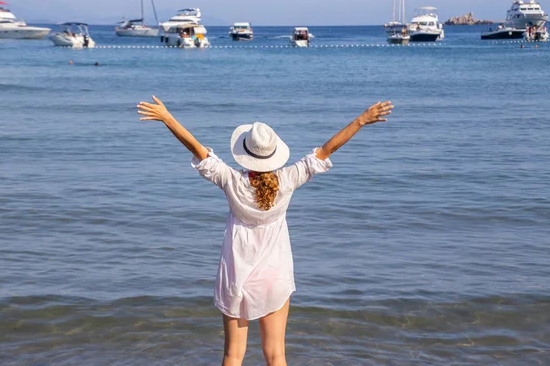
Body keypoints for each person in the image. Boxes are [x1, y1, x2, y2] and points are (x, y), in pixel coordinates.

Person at [136, 96, 394, 366]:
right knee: (276, 355)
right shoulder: (288, 180)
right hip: (275, 275)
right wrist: (361, 120)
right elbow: (327, 150)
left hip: (236, 276)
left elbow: (198, 149)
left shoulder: (231, 180)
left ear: (246, 156)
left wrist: (167, 118)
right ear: (274, 155)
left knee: (233, 355)